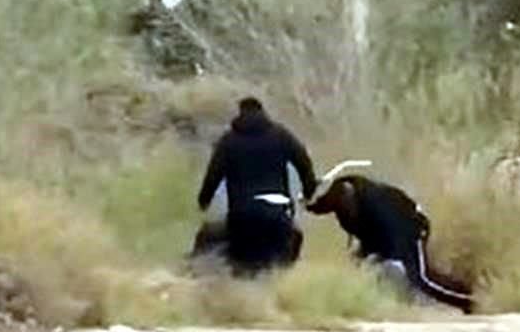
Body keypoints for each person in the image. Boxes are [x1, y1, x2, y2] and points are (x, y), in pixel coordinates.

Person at [306, 174, 476, 314]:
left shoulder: (380, 210)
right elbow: (319, 206)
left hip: (412, 228)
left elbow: (396, 242)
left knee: (421, 278)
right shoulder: (339, 193)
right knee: (360, 268)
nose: (346, 212)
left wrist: (389, 256)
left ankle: (470, 301)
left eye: (349, 209)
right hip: (378, 235)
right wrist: (308, 202)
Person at [193, 97, 318, 276]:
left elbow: (212, 177)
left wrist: (203, 202)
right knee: (294, 240)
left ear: (240, 113)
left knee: (209, 240)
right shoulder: (282, 136)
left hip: (241, 222)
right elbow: (304, 164)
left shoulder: (228, 141)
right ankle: (283, 284)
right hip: (277, 222)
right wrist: (309, 192)